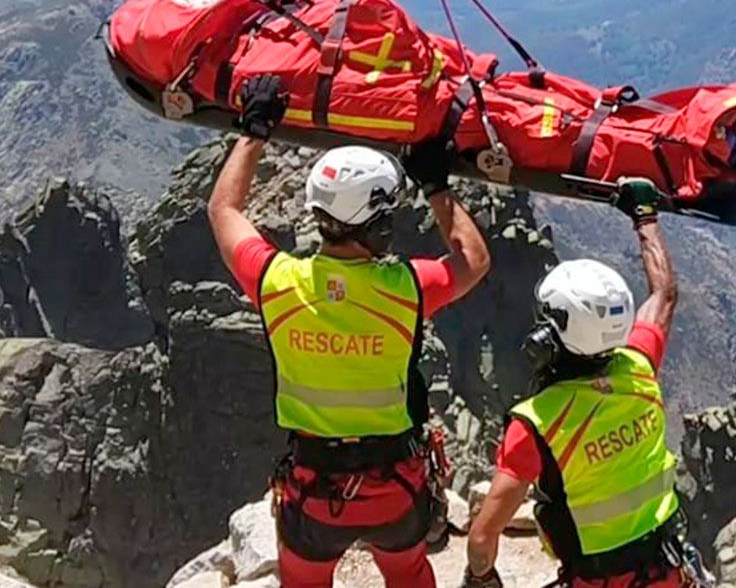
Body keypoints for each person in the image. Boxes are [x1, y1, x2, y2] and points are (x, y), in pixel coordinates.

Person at [208, 74, 492, 588]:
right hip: (395, 486)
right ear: (379, 225)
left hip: (313, 491)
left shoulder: (277, 282)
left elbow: (223, 211)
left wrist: (254, 130)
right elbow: (472, 259)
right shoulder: (406, 288)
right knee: (408, 573)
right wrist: (436, 187)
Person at [463, 178, 692, 588]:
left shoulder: (536, 425)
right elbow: (664, 294)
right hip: (664, 571)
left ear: (547, 337)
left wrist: (480, 578)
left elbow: (482, 539)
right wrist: (645, 216)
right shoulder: (638, 367)